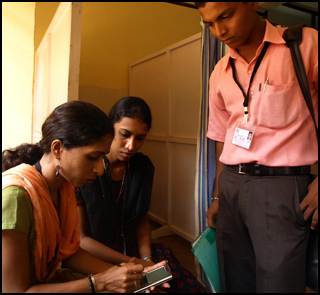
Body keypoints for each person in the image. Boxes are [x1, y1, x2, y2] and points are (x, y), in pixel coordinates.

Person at [194, 2, 318, 293]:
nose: (220, 31)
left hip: (282, 188)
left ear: (253, 3)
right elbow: (222, 137)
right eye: (209, 24)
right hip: (231, 187)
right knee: (235, 280)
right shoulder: (220, 72)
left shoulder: (303, 45)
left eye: (226, 16)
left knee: (278, 284)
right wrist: (216, 195)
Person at [2, 100, 167, 293]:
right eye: (92, 157)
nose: (99, 169)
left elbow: (69, 253)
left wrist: (129, 276)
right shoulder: (15, 197)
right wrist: (100, 282)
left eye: (102, 157)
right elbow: (14, 290)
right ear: (57, 149)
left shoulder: (62, 188)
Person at [75, 96, 206, 293]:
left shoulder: (141, 167)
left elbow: (141, 219)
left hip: (133, 250)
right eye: (124, 134)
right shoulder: (86, 168)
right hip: (97, 256)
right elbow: (82, 240)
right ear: (110, 128)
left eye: (140, 138)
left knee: (182, 285)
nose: (131, 146)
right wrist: (133, 263)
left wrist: (147, 259)